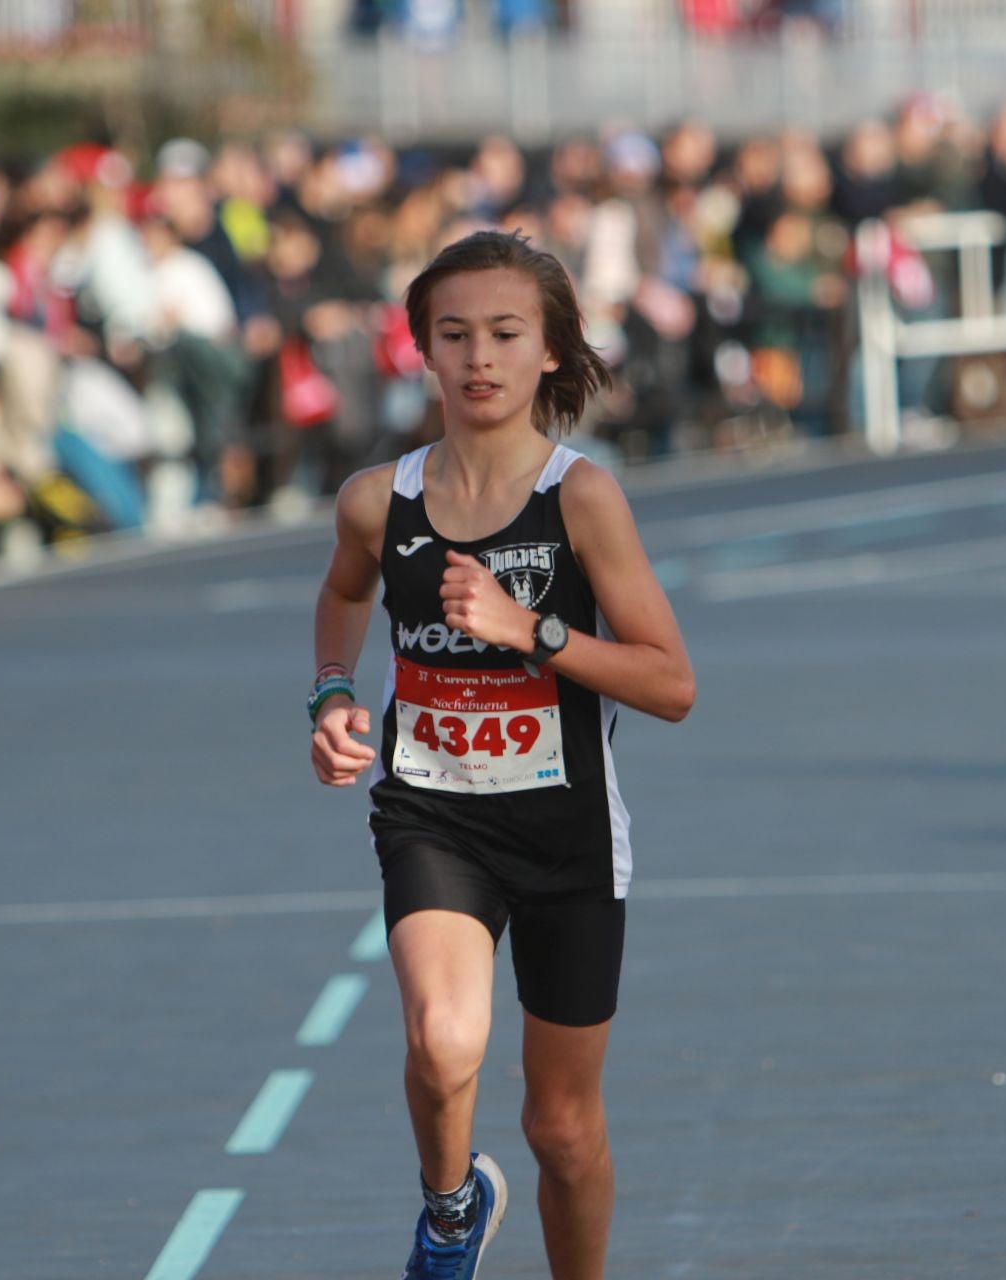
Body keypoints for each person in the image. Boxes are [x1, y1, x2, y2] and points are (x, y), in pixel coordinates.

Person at [308, 230, 695, 1279]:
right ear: (422, 351)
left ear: (551, 353)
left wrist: (533, 632)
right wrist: (334, 692)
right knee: (443, 1038)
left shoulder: (582, 498)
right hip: (436, 817)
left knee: (561, 1127)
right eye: (455, 334)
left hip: (568, 832)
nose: (480, 356)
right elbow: (344, 593)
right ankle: (449, 1209)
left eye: (505, 333)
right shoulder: (376, 501)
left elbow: (672, 685)